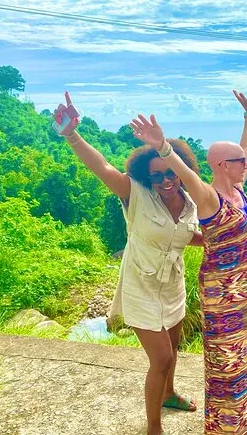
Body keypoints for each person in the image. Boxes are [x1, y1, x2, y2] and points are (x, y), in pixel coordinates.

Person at [52, 92, 202, 435]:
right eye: (157, 176)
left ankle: (168, 394)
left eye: (170, 172)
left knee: (174, 345)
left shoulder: (190, 201)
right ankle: (153, 427)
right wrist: (72, 135)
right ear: (146, 178)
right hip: (140, 286)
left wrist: (217, 241)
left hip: (172, 284)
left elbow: (183, 234)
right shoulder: (135, 193)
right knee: (161, 358)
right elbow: (102, 167)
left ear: (181, 170)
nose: (165, 180)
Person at [130, 91, 247, 434]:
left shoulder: (238, 189)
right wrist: (163, 146)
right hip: (222, 294)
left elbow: (246, 149)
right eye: (240, 162)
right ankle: (227, 425)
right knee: (228, 361)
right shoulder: (209, 197)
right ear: (223, 166)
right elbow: (186, 174)